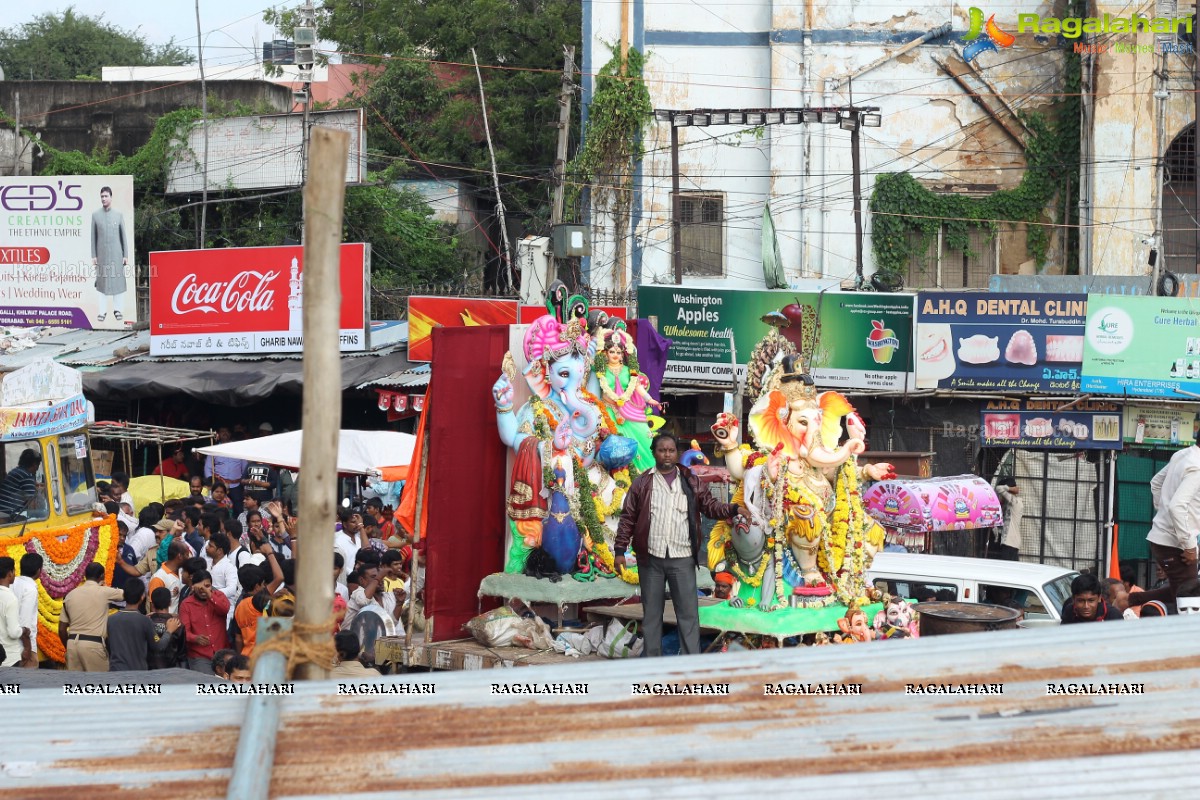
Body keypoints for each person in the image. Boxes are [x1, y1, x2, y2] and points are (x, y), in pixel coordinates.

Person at [613, 433, 744, 657]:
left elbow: (711, 507)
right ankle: (652, 667)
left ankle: (690, 666)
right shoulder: (642, 483)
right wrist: (619, 550)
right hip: (651, 559)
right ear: (654, 452)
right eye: (662, 450)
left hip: (682, 558)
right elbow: (628, 518)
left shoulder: (690, 481)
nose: (666, 454)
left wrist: (734, 509)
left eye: (671, 450)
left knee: (688, 615)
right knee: (652, 615)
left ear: (677, 453)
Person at [1130, 445, 1200, 609]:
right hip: (1175, 544)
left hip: (1166, 540)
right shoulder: (1197, 466)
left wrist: (1163, 514)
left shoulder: (1183, 454)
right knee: (1189, 598)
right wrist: (1189, 546)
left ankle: (1133, 599)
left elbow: (1155, 482)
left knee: (1183, 592)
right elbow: (1176, 506)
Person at [59, 562, 124, 671]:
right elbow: (127, 594)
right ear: (102, 576)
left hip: (72, 645)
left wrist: (69, 646)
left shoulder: (70, 595)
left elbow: (61, 629)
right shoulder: (104, 592)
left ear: (85, 575)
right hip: (93, 645)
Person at [107, 581, 179, 671]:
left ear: (124, 596)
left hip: (116, 670)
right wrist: (169, 631)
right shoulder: (145, 621)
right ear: (142, 597)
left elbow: (108, 645)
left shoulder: (111, 619)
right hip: (137, 673)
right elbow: (159, 646)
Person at [179, 569, 230, 673]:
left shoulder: (219, 596)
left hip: (223, 652)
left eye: (207, 586)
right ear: (193, 587)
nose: (204, 591)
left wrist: (209, 594)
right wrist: (195, 638)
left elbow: (224, 609)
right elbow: (185, 632)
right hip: (200, 656)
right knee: (206, 685)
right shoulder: (186, 604)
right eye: (200, 588)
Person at [90, 184, 129, 323]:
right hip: (102, 255)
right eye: (102, 196)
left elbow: (123, 236)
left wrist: (126, 255)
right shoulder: (95, 215)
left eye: (106, 196)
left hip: (117, 255)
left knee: (118, 282)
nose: (103, 199)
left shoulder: (118, 215)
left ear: (111, 197)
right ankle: (102, 312)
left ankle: (118, 310)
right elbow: (93, 237)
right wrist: (94, 256)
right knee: (101, 284)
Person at [204, 427, 247, 514]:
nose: (225, 433)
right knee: (218, 508)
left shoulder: (238, 448)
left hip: (236, 485)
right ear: (218, 435)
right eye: (222, 431)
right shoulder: (214, 449)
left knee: (238, 509)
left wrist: (243, 481)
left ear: (230, 434)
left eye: (227, 431)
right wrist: (213, 483)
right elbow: (208, 468)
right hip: (219, 485)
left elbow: (245, 467)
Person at [13, 553, 41, 667]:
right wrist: (28, 649)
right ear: (39, 570)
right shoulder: (30, 589)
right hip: (24, 648)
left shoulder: (12, 583)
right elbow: (25, 621)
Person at [147, 588, 184, 670]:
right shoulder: (178, 624)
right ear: (170, 603)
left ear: (152, 605)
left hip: (149, 671)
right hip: (171, 671)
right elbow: (182, 654)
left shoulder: (145, 623)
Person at [148, 540, 189, 614]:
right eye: (187, 555)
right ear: (179, 556)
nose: (188, 558)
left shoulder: (182, 573)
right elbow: (154, 609)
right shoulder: (158, 578)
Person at [0, 448, 42, 518]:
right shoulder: (27, 476)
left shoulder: (15, 471)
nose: (37, 469)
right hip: (9, 515)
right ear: (35, 464)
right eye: (38, 465)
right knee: (42, 514)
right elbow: (33, 506)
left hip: (3, 511)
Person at [993, 477, 1023, 561]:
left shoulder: (1015, 502)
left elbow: (999, 488)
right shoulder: (1009, 504)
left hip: (1011, 543)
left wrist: (1010, 488)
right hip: (1008, 543)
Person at [0, 557, 23, 667]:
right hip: (9, 658)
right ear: (10, 573)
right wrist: (23, 630)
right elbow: (13, 632)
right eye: (14, 571)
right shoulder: (10, 598)